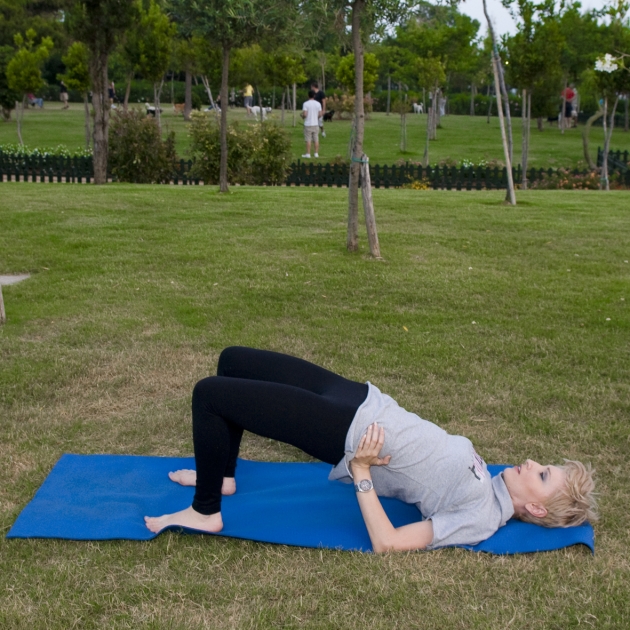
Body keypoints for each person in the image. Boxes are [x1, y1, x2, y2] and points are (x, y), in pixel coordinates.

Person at [145, 347, 598, 553]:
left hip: (342, 432)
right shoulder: (493, 483)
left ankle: (205, 510)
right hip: (361, 399)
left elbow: (390, 543)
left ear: (536, 511)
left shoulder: (481, 517)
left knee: (209, 393)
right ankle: (221, 477)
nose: (534, 463)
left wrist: (361, 470)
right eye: (546, 465)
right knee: (233, 361)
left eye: (543, 475)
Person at [300, 89, 322, 159]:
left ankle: (308, 154)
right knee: (316, 139)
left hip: (308, 124)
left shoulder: (305, 104)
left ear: (308, 96)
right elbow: (320, 114)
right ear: (314, 96)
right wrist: (316, 117)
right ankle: (316, 153)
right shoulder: (318, 104)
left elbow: (305, 114)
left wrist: (302, 116)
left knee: (308, 139)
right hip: (315, 124)